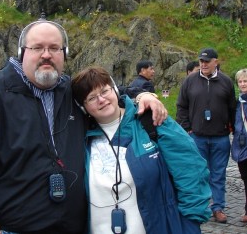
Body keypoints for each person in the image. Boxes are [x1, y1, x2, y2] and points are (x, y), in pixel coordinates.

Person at [0, 19, 166, 234]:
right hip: (9, 228)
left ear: (64, 54)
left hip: (68, 227)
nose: (46, 55)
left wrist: (143, 95)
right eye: (37, 47)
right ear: (22, 52)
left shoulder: (72, 91)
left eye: (55, 48)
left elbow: (110, 94)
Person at [71, 65, 211, 234]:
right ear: (83, 107)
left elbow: (191, 170)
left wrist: (190, 223)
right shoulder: (80, 136)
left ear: (115, 89)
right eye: (92, 98)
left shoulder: (151, 120)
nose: (101, 99)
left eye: (105, 91)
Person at [176, 47, 236, 224]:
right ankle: (199, 208)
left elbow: (232, 107)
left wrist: (232, 128)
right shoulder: (189, 81)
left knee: (218, 174)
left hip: (220, 137)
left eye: (207, 61)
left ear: (215, 62)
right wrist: (186, 128)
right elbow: (181, 106)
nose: (203, 64)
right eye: (201, 61)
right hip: (197, 137)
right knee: (198, 174)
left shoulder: (226, 82)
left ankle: (218, 208)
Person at [231, 68, 247, 223]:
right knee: (245, 178)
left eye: (245, 81)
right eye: (240, 81)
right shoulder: (238, 102)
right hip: (241, 146)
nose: (243, 84)